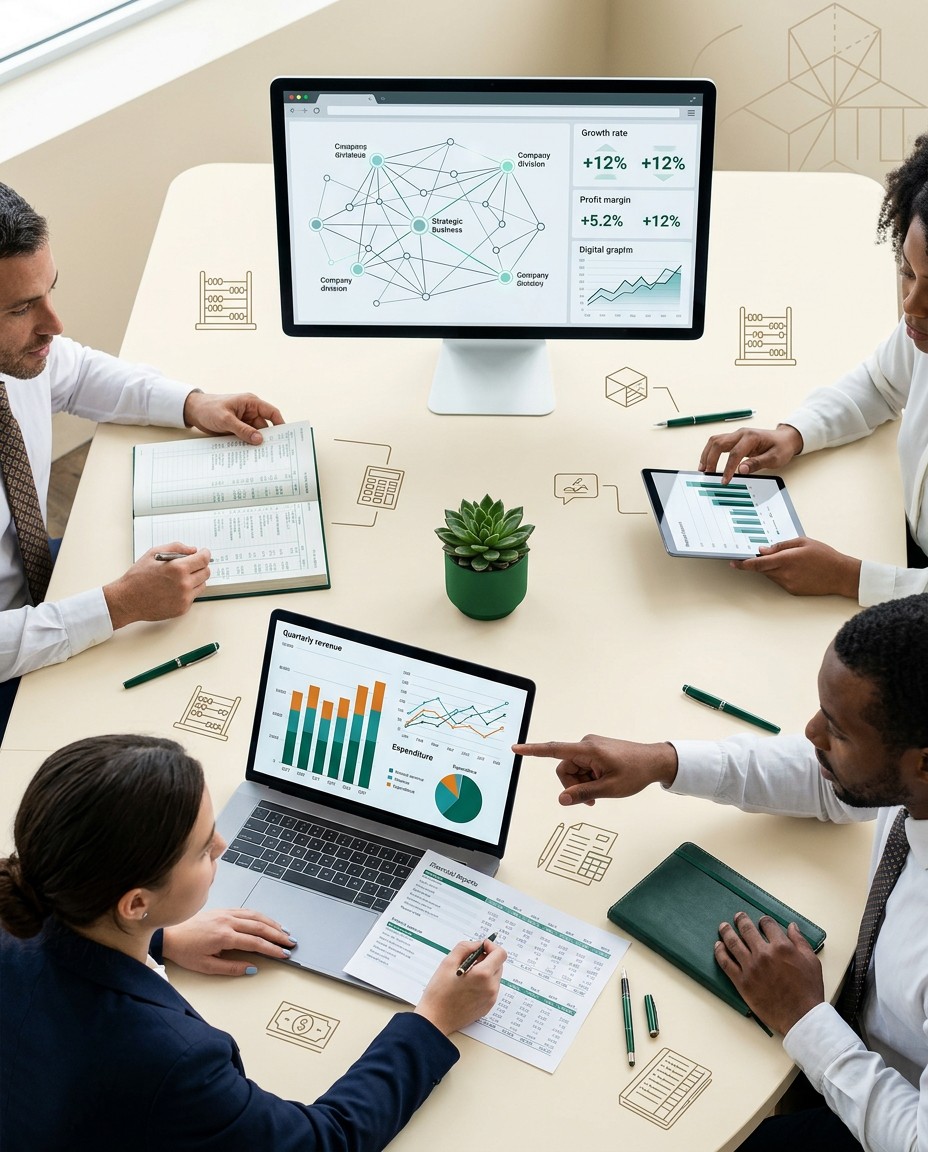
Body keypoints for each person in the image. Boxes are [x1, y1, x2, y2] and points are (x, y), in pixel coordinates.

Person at [514, 593, 928, 1151]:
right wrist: (664, 760)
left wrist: (804, 1016)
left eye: (838, 730)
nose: (810, 732)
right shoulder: (909, 783)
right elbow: (834, 784)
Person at [0, 734, 505, 1151]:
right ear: (134, 903)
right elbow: (323, 1142)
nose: (223, 845)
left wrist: (158, 936)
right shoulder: (176, 1061)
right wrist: (434, 1021)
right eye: (203, 849)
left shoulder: (24, 902)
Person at [0, 181, 284, 725]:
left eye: (49, 291)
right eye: (21, 309)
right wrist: (117, 605)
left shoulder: (18, 357)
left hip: (37, 583)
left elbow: (77, 373)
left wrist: (193, 404)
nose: (55, 325)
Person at [698, 133, 928, 607]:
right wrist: (796, 432)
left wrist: (848, 577)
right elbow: (880, 384)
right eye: (908, 272)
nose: (911, 305)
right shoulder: (921, 335)